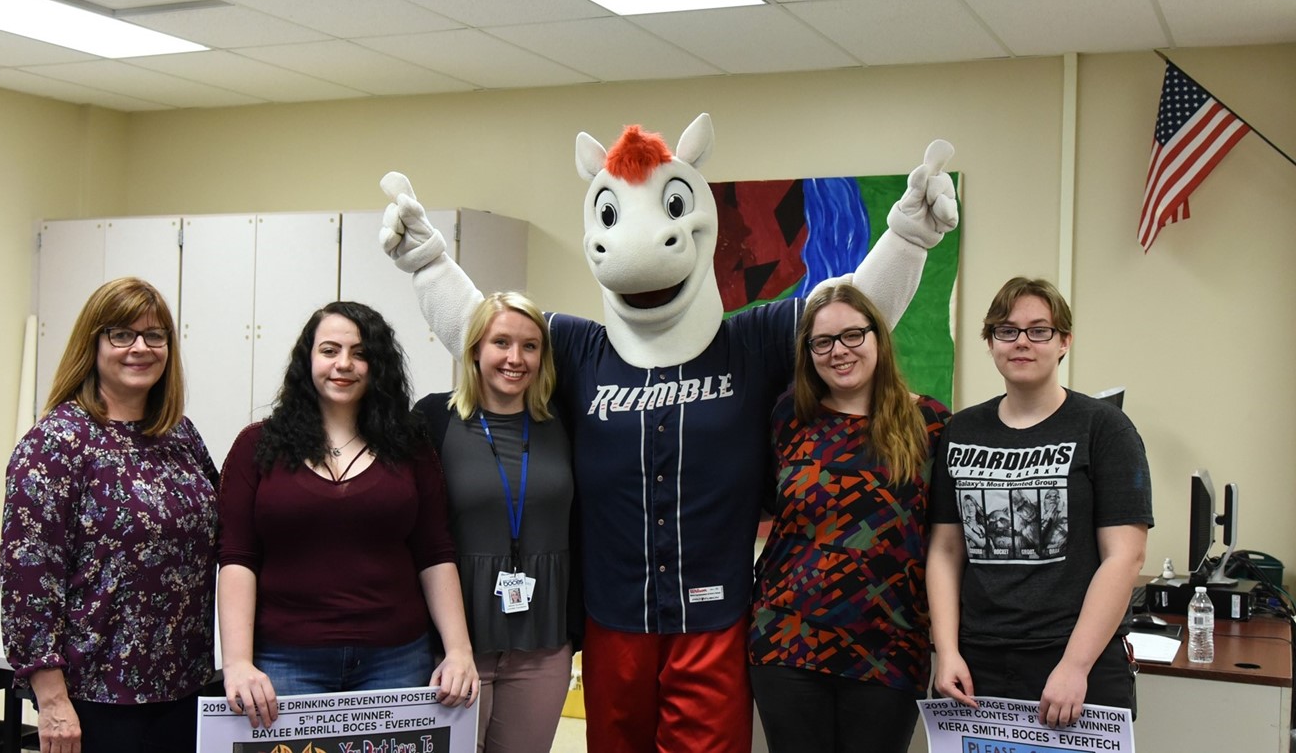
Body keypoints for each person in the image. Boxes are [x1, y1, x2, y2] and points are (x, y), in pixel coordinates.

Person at [379, 118, 958, 752]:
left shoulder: (751, 340)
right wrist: (427, 261)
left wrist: (907, 238)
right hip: (612, 616)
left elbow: (847, 318)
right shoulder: (581, 349)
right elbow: (490, 331)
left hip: (716, 619)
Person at [218, 301, 478, 729]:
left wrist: (458, 651)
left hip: (397, 660)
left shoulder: (410, 446)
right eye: (330, 350)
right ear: (308, 359)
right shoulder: (256, 446)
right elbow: (237, 558)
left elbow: (435, 551)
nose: (345, 364)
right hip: (284, 664)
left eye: (360, 353)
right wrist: (238, 662)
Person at [1, 277, 219, 753]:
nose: (140, 347)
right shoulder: (56, 444)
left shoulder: (180, 436)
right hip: (96, 698)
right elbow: (28, 579)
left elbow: (225, 533)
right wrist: (52, 699)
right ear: (93, 344)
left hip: (186, 686)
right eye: (122, 334)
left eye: (155, 335)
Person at [927, 277, 1152, 727]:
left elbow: (1125, 558)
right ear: (990, 343)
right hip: (979, 662)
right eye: (1006, 330)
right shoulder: (961, 431)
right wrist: (947, 651)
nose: (1022, 342)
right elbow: (946, 550)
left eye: (1039, 330)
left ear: (1064, 341)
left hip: (1074, 660)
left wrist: (1075, 666)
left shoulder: (1104, 429)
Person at [748, 284, 950, 753]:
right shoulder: (789, 417)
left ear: (878, 337)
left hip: (890, 647)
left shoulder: (931, 424)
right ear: (809, 352)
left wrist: (948, 641)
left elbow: (946, 545)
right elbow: (760, 507)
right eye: (823, 341)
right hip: (788, 641)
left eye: (853, 335)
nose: (839, 351)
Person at [412, 292, 577, 753]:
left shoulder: (563, 423)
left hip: (543, 645)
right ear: (475, 350)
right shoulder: (432, 420)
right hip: (456, 646)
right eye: (501, 342)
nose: (515, 358)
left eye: (529, 346)